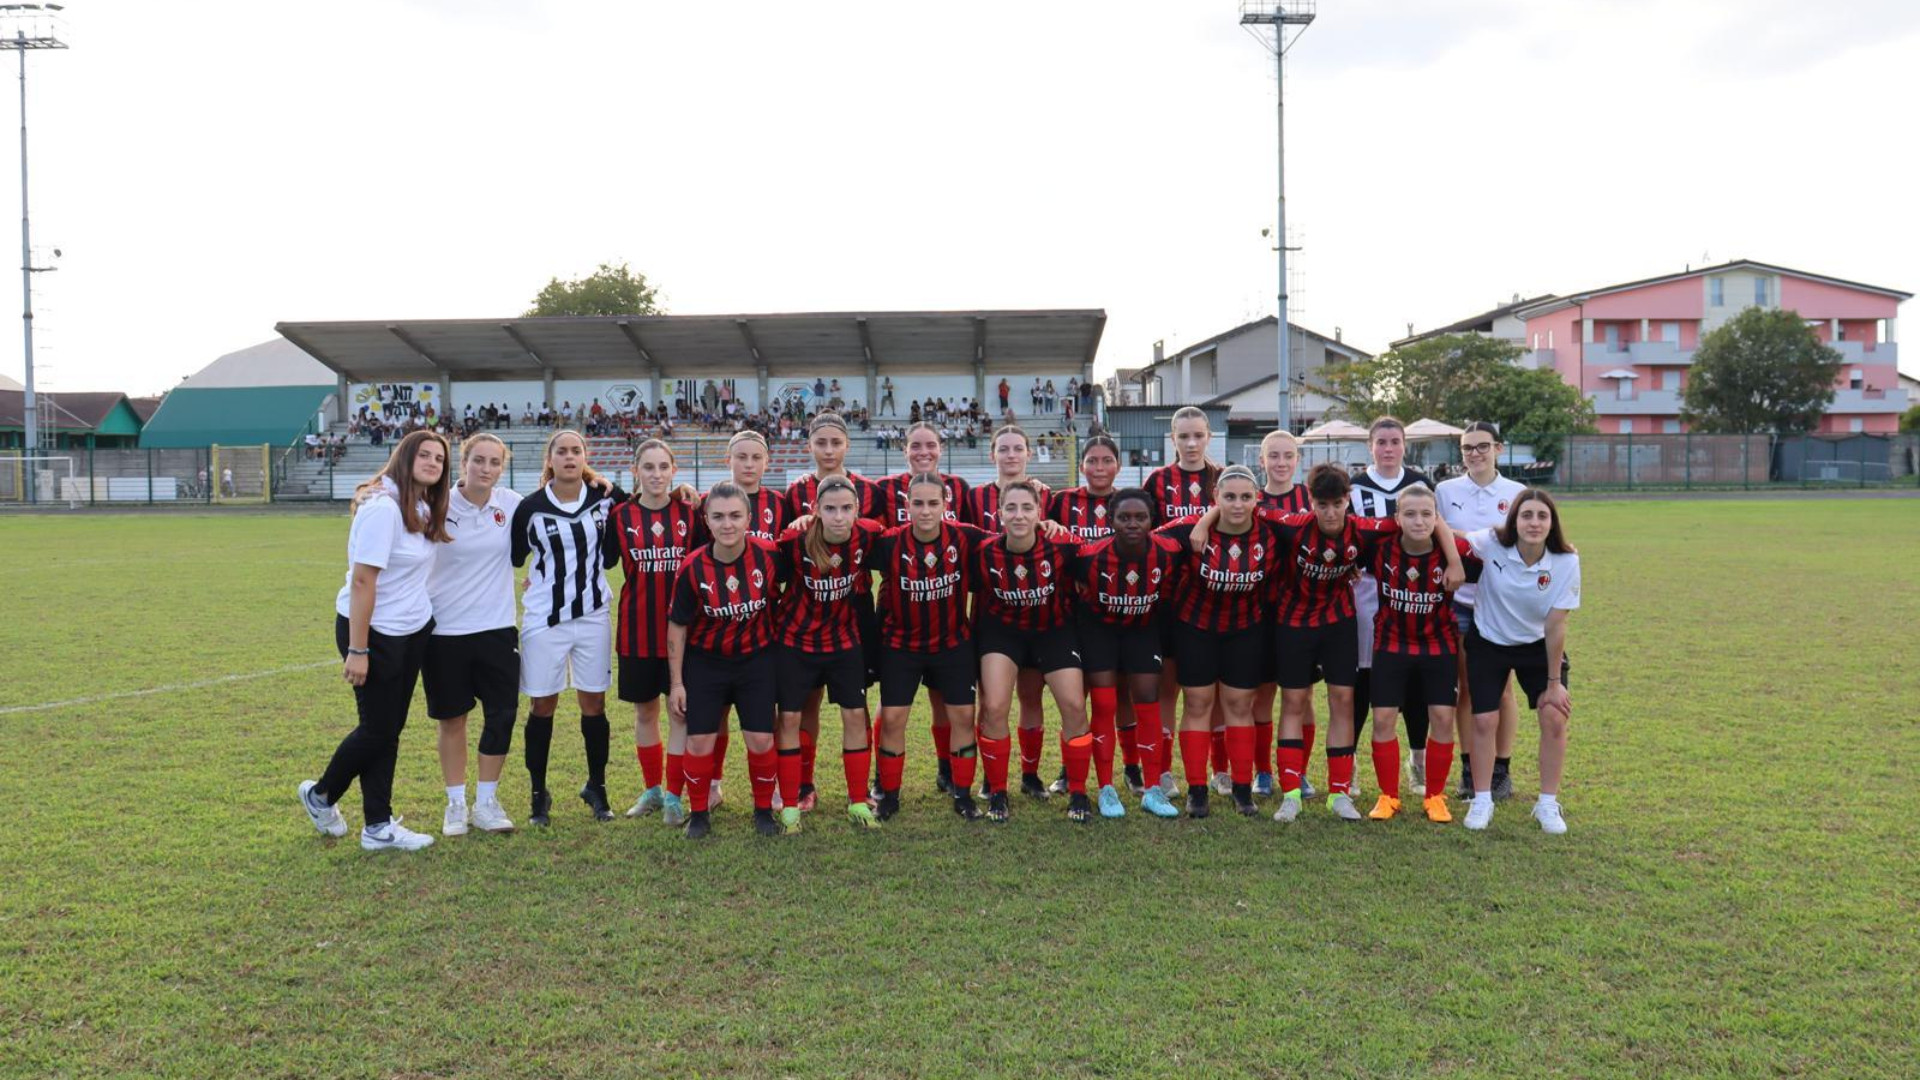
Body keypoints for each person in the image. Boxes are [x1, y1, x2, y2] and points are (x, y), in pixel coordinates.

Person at [1190, 464, 1459, 823]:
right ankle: (1291, 794)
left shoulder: (1364, 530)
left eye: (1337, 503)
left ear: (1348, 500)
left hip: (1338, 623)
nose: (1330, 513)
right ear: (1310, 502)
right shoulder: (1292, 524)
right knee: (1294, 702)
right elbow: (1243, 506)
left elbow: (1426, 518)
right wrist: (1203, 522)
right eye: (1322, 504)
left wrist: (1454, 559)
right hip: (1294, 622)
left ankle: (1339, 793)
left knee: (1343, 701)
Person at [297, 430, 452, 852]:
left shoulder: (420, 503)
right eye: (424, 454)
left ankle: (377, 826)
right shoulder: (383, 507)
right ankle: (322, 795)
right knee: (379, 728)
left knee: (388, 729)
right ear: (405, 457)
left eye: (439, 458)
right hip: (374, 633)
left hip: (411, 629)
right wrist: (359, 649)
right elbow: (364, 580)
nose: (433, 462)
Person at [1156, 466, 1288, 817]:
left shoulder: (1273, 531)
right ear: (1214, 498)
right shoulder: (1189, 531)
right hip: (1196, 627)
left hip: (1246, 628)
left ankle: (1242, 789)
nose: (1238, 504)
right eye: (1229, 497)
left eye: (1246, 497)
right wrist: (1204, 520)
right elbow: (1142, 543)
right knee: (1197, 703)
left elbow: (1316, 529)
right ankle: (1197, 790)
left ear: (1257, 499)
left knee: (1239, 706)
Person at [509, 429, 624, 827]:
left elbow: (636, 511)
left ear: (585, 456)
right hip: (545, 618)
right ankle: (538, 795)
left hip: (593, 615)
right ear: (551, 458)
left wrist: (613, 485)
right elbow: (513, 555)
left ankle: (598, 786)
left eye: (577, 451)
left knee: (594, 704)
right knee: (543, 704)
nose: (570, 457)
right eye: (562, 451)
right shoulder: (531, 507)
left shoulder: (603, 498)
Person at [866, 474, 993, 821]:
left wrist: (1046, 525)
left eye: (933, 503)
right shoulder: (889, 542)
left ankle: (963, 795)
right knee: (892, 719)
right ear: (906, 506)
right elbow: (846, 536)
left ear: (945, 505)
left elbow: (1011, 538)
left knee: (963, 717)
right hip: (900, 646)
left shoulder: (965, 536)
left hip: (952, 644)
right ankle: (890, 796)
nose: (925, 510)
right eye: (917, 503)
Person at [667, 483, 789, 839]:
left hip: (757, 662)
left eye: (736, 515)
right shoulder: (692, 567)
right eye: (718, 516)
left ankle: (764, 810)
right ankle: (700, 812)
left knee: (760, 740)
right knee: (699, 742)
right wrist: (677, 682)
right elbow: (677, 626)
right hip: (706, 665)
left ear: (749, 518)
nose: (728, 524)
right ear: (706, 520)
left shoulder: (769, 555)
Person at [971, 480, 1094, 822]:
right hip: (1003, 634)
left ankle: (1079, 792)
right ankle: (997, 792)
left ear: (1040, 513)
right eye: (1011, 508)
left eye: (1027, 508)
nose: (1019, 515)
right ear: (999, 514)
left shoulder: (1062, 545)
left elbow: (1097, 560)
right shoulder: (984, 552)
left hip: (1053, 632)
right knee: (994, 706)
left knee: (1072, 704)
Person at [1459, 489, 1579, 834]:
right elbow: (1457, 537)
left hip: (1536, 646)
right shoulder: (1493, 542)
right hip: (1488, 642)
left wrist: (1554, 684)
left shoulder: (1567, 561)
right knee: (1484, 720)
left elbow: (1556, 626)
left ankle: (1547, 803)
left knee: (1554, 716)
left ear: (1552, 523)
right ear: (1515, 519)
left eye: (1542, 516)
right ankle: (1482, 799)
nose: (1534, 522)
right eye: (1526, 515)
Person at [421, 432, 522, 836]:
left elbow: (563, 495)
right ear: (463, 463)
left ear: (502, 466)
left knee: (502, 715)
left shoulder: (512, 504)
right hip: (444, 632)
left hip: (497, 630)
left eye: (494, 462)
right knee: (452, 719)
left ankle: (486, 802)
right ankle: (455, 804)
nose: (486, 469)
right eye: (478, 460)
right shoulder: (436, 504)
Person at [1359, 483, 1476, 824]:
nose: (1418, 521)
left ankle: (1435, 796)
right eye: (1410, 514)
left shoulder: (1456, 550)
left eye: (1427, 514)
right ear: (1397, 518)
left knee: (1441, 718)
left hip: (1437, 644)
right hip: (1390, 643)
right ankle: (1388, 796)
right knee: (1382, 719)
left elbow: (1500, 548)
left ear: (1437, 518)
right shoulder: (1379, 546)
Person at [963, 425, 1068, 798]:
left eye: (1018, 449)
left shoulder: (1047, 495)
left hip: (1041, 612)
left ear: (1027, 453)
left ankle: (1030, 774)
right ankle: (989, 778)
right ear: (992, 454)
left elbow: (1057, 539)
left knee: (1031, 695)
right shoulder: (972, 497)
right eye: (1003, 449)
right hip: (992, 612)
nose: (1011, 455)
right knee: (990, 700)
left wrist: (1054, 525)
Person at [775, 477, 886, 830]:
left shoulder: (868, 534)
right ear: (815, 511)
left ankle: (857, 801)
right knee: (790, 719)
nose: (839, 516)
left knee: (855, 715)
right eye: (830, 509)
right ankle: (790, 802)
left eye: (846, 508)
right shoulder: (794, 541)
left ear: (857, 510)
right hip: (795, 642)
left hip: (843, 641)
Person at [1069, 488, 1185, 818]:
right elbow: (1071, 583)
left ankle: (1151, 789)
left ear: (1152, 521)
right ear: (1111, 520)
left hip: (1142, 629)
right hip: (1099, 631)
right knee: (1104, 703)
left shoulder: (1170, 551)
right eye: (1124, 517)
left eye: (1140, 517)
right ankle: (1106, 789)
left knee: (1148, 700)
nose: (1132, 524)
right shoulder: (1089, 555)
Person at [605, 440, 700, 825]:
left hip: (684, 635)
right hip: (636, 630)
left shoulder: (690, 513)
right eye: (648, 467)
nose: (657, 474)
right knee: (645, 713)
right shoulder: (620, 516)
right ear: (635, 471)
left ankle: (675, 796)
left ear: (674, 470)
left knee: (680, 714)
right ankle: (652, 790)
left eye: (663, 467)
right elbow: (595, 560)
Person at [1435, 421, 1528, 801]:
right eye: (1467, 448)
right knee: (1467, 689)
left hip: (1502, 606)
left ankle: (1501, 769)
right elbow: (1437, 532)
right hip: (1460, 602)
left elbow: (1523, 542)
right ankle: (1471, 769)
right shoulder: (1445, 490)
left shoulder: (1517, 492)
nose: (1475, 453)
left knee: (1503, 689)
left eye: (1482, 446)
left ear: (1498, 449)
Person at [1348, 416, 1433, 804]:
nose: (1388, 448)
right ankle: (1346, 765)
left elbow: (1438, 528)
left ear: (1404, 446)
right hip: (1365, 591)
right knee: (1362, 680)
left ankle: (1418, 760)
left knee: (1415, 679)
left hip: (1413, 590)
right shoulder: (1354, 488)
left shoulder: (1420, 484)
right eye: (1381, 442)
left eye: (1394, 441)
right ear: (1370, 446)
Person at [1142, 406, 1223, 799]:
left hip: (1217, 599)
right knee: (1167, 689)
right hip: (1168, 601)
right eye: (1183, 437)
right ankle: (1161, 772)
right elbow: (1145, 536)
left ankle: (1222, 769)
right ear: (1172, 439)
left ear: (1209, 436)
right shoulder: (1156, 481)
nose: (1191, 444)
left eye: (1198, 436)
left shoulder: (1223, 479)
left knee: (1218, 690)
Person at [1254, 429, 1315, 798]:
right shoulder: (1250, 498)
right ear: (1261, 460)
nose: (1280, 462)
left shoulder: (1311, 499)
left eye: (1287, 456)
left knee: (1301, 697)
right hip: (1260, 610)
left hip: (1305, 611)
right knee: (1262, 695)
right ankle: (1263, 772)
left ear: (1297, 460)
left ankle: (1300, 772)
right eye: (1273, 456)